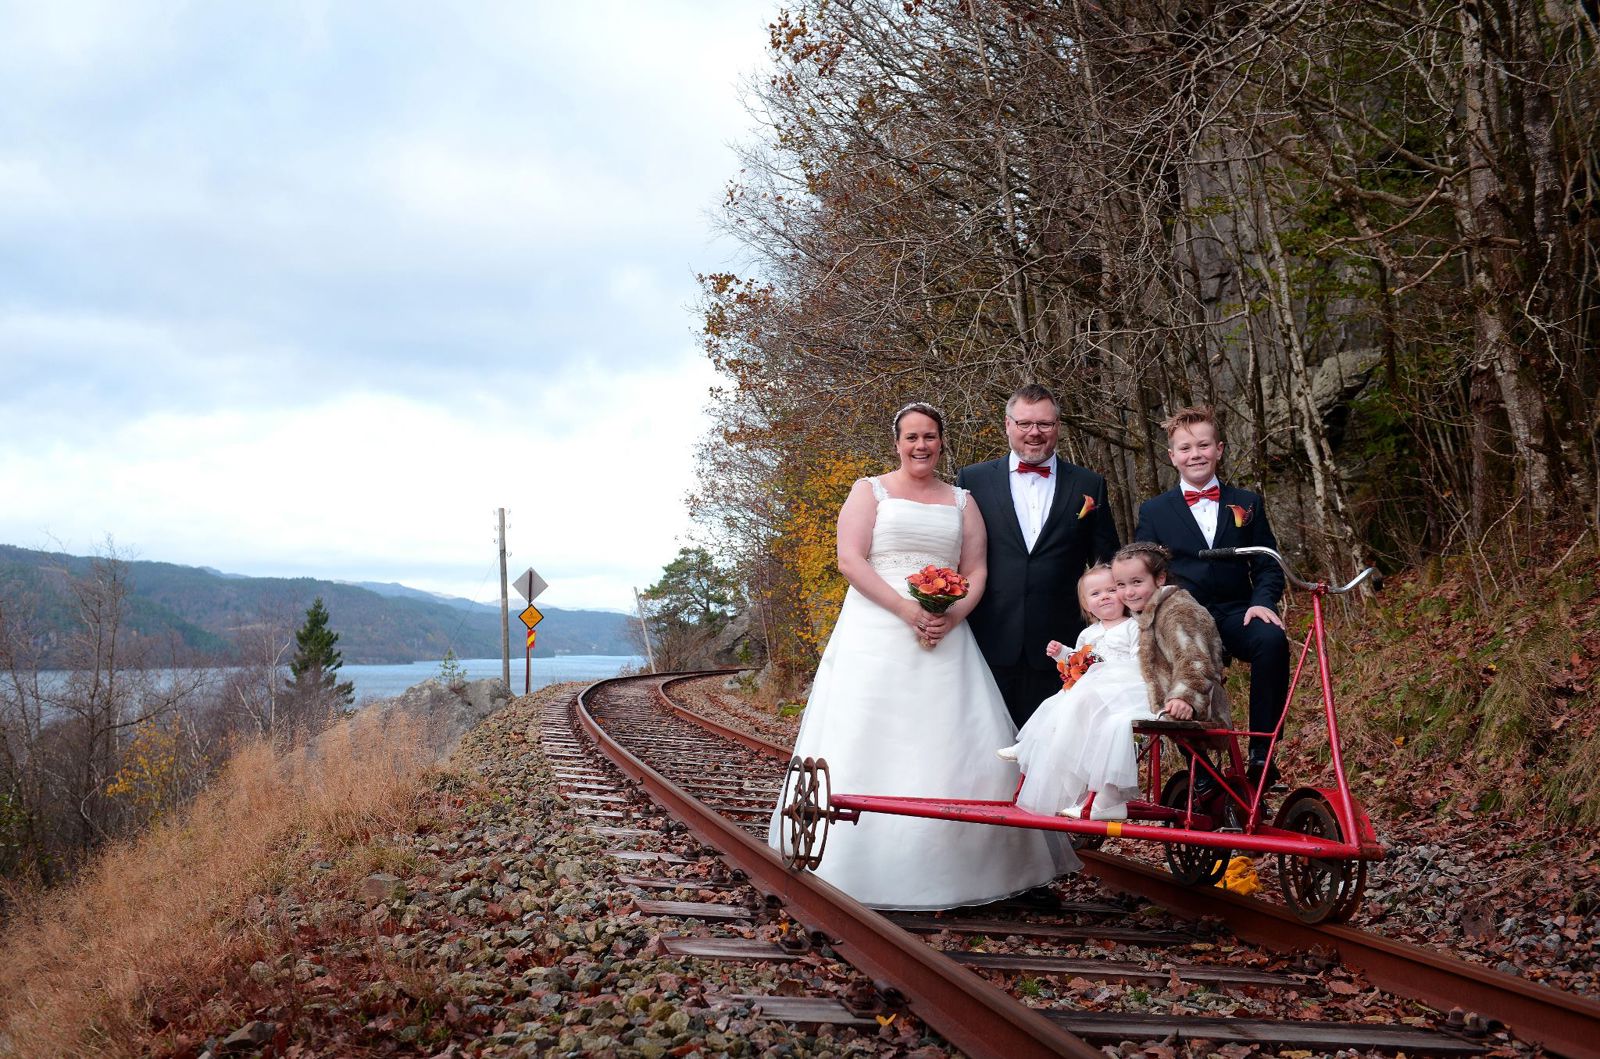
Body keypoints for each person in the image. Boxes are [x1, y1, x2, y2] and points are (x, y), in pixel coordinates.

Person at [767, 402, 1074, 909]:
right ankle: (855, 863)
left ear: (941, 442)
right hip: (876, 628)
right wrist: (907, 610)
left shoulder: (963, 501)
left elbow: (976, 569)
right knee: (869, 732)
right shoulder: (869, 491)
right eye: (911, 437)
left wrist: (952, 615)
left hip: (945, 632)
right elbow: (850, 560)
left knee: (953, 738)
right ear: (897, 443)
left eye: (929, 436)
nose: (921, 445)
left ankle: (974, 866)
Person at [999, 544, 1227, 819]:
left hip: (1167, 695)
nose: (1127, 592)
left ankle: (1108, 798)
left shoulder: (1175, 611)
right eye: (1121, 585)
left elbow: (1194, 658)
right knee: (1066, 702)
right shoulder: (1142, 615)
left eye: (1136, 582)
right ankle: (1043, 756)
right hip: (1140, 690)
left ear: (1160, 578)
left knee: (1111, 723)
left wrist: (1184, 696)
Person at [1134, 406, 1288, 786]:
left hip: (1238, 611)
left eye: (1203, 445)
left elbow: (1268, 563)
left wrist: (1262, 602)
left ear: (1219, 449)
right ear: (1172, 456)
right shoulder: (1154, 511)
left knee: (1271, 640)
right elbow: (1144, 571)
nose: (1195, 454)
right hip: (1184, 618)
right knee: (1176, 663)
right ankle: (1200, 767)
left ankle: (1262, 752)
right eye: (1185, 448)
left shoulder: (1247, 502)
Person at [956, 383, 1120, 728]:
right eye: (1025, 423)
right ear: (1007, 425)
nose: (1034, 432)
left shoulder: (1089, 484)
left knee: (1053, 744)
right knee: (988, 742)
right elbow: (958, 554)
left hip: (1061, 643)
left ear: (1057, 426)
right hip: (989, 637)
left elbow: (1106, 563)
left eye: (1044, 424)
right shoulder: (973, 480)